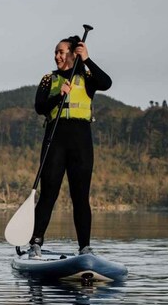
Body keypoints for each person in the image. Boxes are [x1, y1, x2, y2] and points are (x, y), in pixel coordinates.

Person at [28, 35, 112, 258]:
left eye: (61, 52)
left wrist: (88, 59)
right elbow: (39, 107)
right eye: (55, 52)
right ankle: (35, 243)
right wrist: (58, 95)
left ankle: (85, 247)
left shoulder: (87, 76)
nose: (57, 56)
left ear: (73, 54)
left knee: (80, 196)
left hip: (81, 142)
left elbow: (107, 83)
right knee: (49, 194)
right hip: (54, 140)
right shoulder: (49, 79)